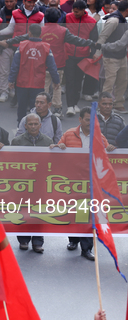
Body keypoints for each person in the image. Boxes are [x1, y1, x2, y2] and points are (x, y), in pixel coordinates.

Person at [53, 107, 115, 260]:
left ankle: (86, 249)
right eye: (87, 120)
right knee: (74, 213)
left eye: (93, 120)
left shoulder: (99, 137)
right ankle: (73, 240)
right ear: (80, 119)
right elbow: (57, 152)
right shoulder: (68, 134)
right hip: (72, 183)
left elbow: (107, 156)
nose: (90, 123)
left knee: (88, 216)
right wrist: (59, 147)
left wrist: (111, 149)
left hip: (91, 184)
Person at [11, 113, 53, 253]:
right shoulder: (17, 142)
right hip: (22, 185)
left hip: (40, 185)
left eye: (36, 124)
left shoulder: (48, 141)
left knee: (39, 213)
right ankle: (23, 240)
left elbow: (52, 163)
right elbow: (12, 163)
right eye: (30, 124)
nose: (33, 126)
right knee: (23, 211)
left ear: (40, 125)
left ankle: (37, 242)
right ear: (25, 126)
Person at [0, 0, 44, 104]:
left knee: (24, 73)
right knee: (8, 71)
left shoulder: (40, 15)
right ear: (24, 2)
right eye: (29, 1)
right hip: (15, 46)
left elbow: (42, 32)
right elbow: (10, 29)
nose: (32, 4)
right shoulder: (15, 13)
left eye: (33, 2)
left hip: (30, 49)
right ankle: (5, 92)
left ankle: (18, 95)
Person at [6, 24, 60, 123]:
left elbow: (15, 65)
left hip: (22, 83)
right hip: (38, 84)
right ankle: (35, 128)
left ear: (29, 33)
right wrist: (56, 81)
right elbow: (52, 67)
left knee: (21, 108)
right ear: (41, 34)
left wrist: (11, 80)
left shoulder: (22, 46)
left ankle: (20, 128)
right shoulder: (46, 47)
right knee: (36, 109)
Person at [98, 0, 128, 113]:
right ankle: (104, 106)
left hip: (121, 56)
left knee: (122, 80)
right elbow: (103, 37)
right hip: (110, 57)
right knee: (109, 82)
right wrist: (98, 51)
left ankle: (118, 104)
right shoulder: (114, 21)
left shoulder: (123, 20)